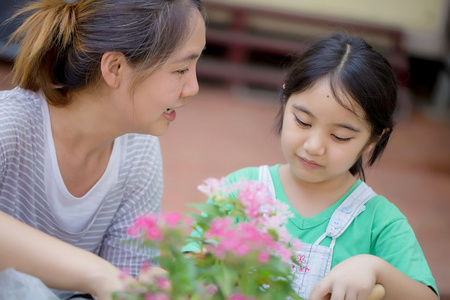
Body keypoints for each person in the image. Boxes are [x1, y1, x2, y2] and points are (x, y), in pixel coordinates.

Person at [184, 33, 439, 300]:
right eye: (303, 121)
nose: (314, 146)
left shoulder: (380, 222)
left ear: (373, 140)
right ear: (285, 99)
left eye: (340, 136)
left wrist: (376, 269)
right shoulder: (240, 191)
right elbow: (186, 274)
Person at [0, 0, 206, 299]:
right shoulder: (10, 124)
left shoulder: (139, 152)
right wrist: (97, 273)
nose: (193, 86)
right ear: (115, 68)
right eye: (182, 69)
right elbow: (109, 279)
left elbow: (123, 284)